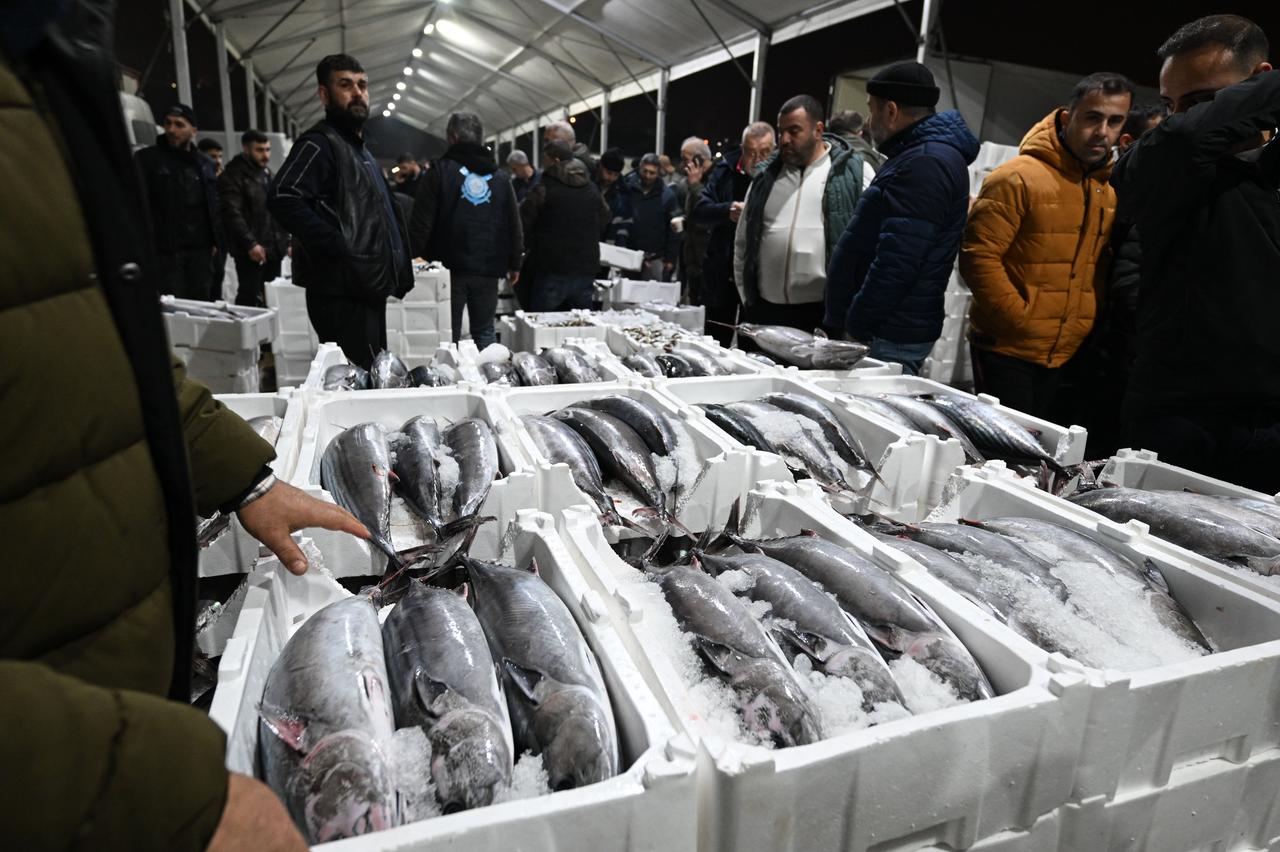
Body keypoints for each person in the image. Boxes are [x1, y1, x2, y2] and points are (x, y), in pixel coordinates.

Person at [0, 7, 371, 849]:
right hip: (75, 777)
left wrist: (247, 478)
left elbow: (101, 350)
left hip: (111, 698)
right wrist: (146, 790)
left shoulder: (40, 71)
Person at [1111, 14, 1280, 489]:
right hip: (1183, 419)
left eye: (1204, 100)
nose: (1182, 115)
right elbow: (1184, 138)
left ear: (1257, 83)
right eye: (1171, 103)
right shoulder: (1163, 164)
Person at [959, 72, 1133, 417]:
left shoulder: (1107, 188)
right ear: (1068, 117)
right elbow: (978, 257)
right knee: (1004, 459)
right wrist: (1019, 319)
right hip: (1007, 349)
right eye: (1093, 117)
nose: (1103, 132)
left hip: (1069, 350)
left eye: (1115, 121)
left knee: (1046, 452)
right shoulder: (1017, 177)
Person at [825, 62, 979, 375]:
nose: (868, 122)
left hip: (886, 332)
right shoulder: (919, 156)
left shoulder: (924, 163)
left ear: (891, 110)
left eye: (871, 110)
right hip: (891, 327)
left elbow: (897, 262)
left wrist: (857, 323)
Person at [268, 54, 413, 370]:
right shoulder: (319, 144)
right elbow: (283, 195)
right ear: (324, 94)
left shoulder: (359, 149)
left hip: (365, 288)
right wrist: (336, 244)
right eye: (345, 85)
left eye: (362, 85)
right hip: (341, 292)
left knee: (372, 374)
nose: (358, 93)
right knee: (353, 383)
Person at [734, 95, 864, 333]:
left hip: (820, 316)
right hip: (765, 311)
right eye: (781, 131)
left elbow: (868, 246)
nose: (784, 139)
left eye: (794, 131)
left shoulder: (852, 174)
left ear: (818, 130)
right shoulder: (765, 179)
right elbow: (743, 242)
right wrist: (747, 299)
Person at [409, 112, 522, 349]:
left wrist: (412, 258)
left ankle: (448, 382)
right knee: (485, 332)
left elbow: (421, 223)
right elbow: (513, 221)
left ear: (452, 137)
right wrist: (515, 262)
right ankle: (492, 380)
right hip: (489, 268)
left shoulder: (439, 172)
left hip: (447, 270)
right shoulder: (500, 177)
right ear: (481, 139)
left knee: (446, 336)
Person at [693, 121, 774, 346]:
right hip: (722, 271)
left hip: (758, 277)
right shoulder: (724, 170)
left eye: (765, 152)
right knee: (715, 340)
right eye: (751, 152)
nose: (757, 159)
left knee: (753, 343)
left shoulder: (780, 176)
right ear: (742, 148)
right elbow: (700, 211)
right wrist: (726, 211)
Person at [133, 103, 221, 300]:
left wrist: (216, 240)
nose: (172, 130)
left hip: (200, 252)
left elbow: (213, 203)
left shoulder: (205, 164)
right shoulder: (147, 160)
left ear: (193, 130)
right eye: (168, 123)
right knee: (173, 308)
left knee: (202, 305)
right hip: (166, 252)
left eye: (179, 125)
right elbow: (136, 204)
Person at [518, 140, 611, 311]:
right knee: (582, 329)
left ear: (555, 160)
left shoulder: (544, 187)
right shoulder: (591, 188)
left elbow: (523, 221)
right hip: (585, 267)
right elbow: (605, 217)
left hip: (551, 267)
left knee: (542, 325)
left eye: (544, 158)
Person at [219, 129, 290, 307]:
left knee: (271, 298)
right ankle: (244, 333)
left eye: (267, 149)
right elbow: (232, 213)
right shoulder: (233, 176)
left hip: (273, 249)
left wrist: (287, 241)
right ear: (246, 149)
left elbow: (279, 210)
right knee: (249, 296)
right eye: (259, 150)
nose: (265, 155)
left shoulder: (268, 175)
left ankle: (269, 334)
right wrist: (250, 244)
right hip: (250, 252)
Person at [624, 153, 681, 281]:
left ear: (658, 173)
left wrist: (671, 258)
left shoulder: (667, 196)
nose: (648, 176)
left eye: (652, 173)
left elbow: (674, 230)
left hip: (655, 256)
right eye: (645, 171)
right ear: (639, 168)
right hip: (630, 253)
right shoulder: (629, 188)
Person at [677, 136, 714, 305]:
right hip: (691, 257)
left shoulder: (715, 180)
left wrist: (695, 185)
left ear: (699, 159)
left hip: (707, 261)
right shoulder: (691, 182)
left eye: (686, 159)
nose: (683, 164)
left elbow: (706, 214)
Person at [595, 147, 631, 247]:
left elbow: (621, 224)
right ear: (601, 166)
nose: (611, 178)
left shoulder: (622, 192)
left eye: (616, 175)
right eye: (609, 173)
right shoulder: (587, 181)